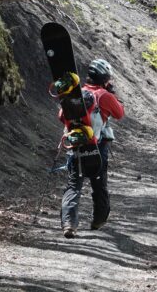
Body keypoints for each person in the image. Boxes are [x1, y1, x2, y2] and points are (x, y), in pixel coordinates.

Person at [60, 59, 125, 238]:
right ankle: (98, 221)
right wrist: (112, 94)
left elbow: (61, 116)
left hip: (76, 146)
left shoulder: (76, 92)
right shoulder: (105, 95)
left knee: (74, 185)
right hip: (98, 148)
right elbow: (120, 113)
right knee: (99, 185)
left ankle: (69, 224)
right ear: (105, 78)